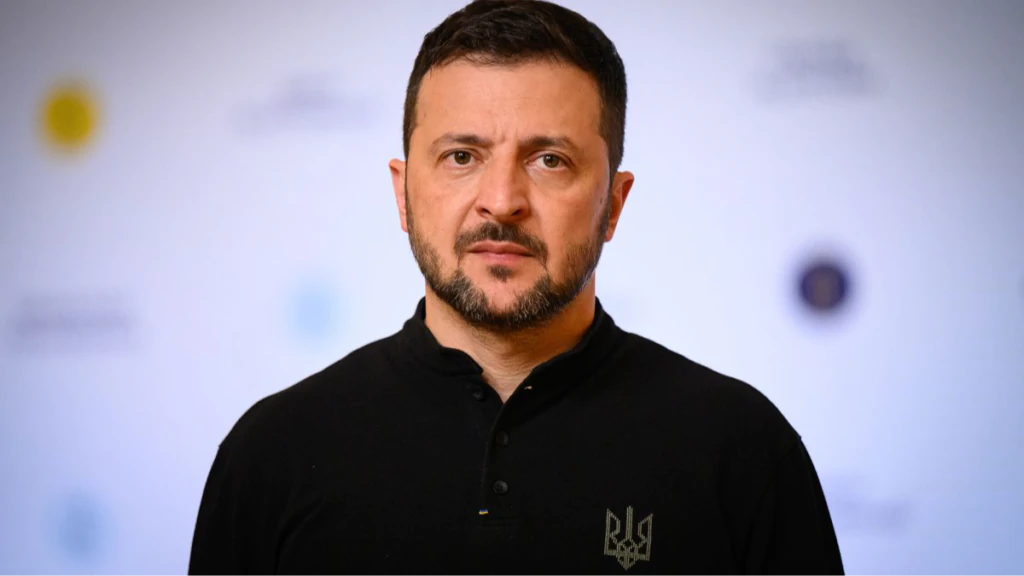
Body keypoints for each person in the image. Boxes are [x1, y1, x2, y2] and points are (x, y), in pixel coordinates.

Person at [188, 1, 845, 574]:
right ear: (403, 192)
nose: (501, 201)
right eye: (462, 156)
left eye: (549, 160)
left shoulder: (741, 450)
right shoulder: (272, 454)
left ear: (614, 204)